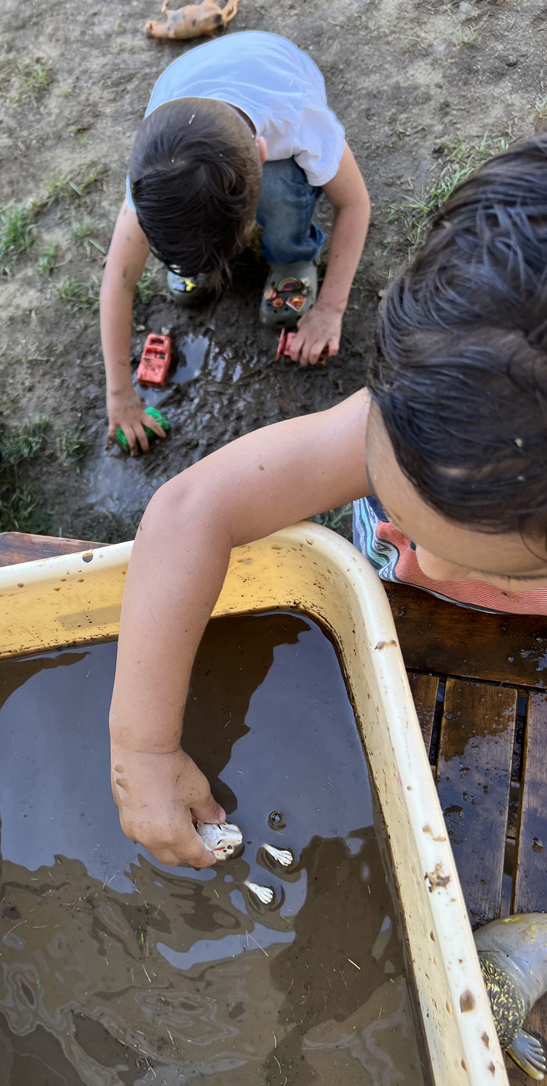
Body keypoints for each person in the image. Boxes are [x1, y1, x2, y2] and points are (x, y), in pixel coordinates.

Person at [107, 135, 547, 869]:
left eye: (502, 564)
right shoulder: (441, 405)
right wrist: (141, 746)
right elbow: (194, 510)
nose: (423, 557)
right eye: (395, 503)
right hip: (387, 620)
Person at [100, 30, 370, 453]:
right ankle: (199, 258)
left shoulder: (297, 120)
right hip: (197, 90)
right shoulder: (154, 168)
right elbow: (118, 278)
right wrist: (119, 393)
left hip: (276, 67)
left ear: (260, 153)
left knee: (282, 187)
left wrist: (331, 309)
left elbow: (354, 205)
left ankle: (291, 257)